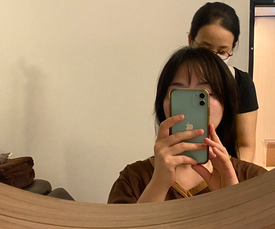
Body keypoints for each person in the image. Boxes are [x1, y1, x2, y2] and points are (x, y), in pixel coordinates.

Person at [108, 47, 266, 204]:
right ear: (162, 103)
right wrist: (158, 185)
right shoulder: (132, 179)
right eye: (178, 93)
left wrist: (232, 199)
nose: (190, 106)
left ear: (225, 104)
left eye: (205, 93)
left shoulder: (254, 178)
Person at [188, 2, 258, 162]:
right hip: (183, 167)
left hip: (228, 170)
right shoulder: (177, 80)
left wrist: (233, 175)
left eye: (222, 51)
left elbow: (246, 146)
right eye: (205, 49)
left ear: (232, 47)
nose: (213, 58)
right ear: (191, 40)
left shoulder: (241, 83)